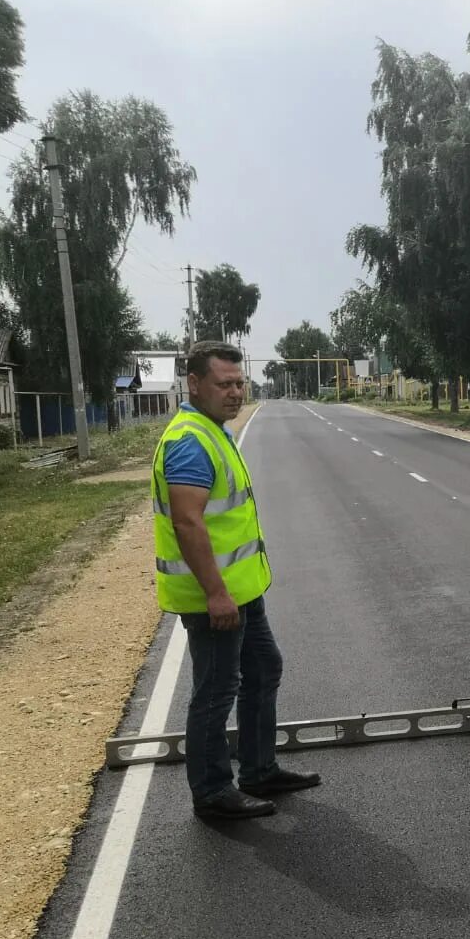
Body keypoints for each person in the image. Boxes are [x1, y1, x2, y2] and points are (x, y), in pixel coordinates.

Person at [152, 341, 319, 820]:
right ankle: (211, 792)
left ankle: (259, 769)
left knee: (264, 670)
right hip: (214, 598)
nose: (235, 392)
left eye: (239, 383)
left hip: (242, 591)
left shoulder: (213, 430)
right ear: (194, 383)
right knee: (216, 690)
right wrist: (215, 594)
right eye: (224, 384)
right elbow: (188, 522)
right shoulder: (189, 440)